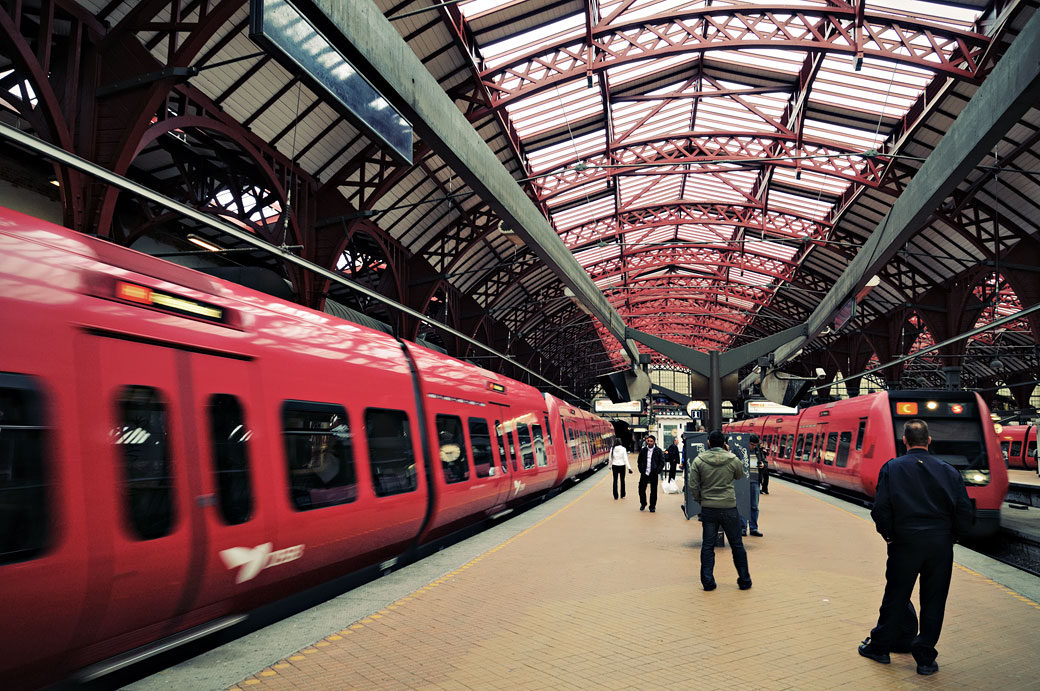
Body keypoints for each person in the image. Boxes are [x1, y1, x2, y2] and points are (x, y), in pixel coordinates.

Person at [858, 418, 973, 676]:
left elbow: (881, 509)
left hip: (904, 542)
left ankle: (880, 648)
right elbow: (964, 511)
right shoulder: (949, 470)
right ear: (929, 441)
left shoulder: (892, 468)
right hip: (940, 545)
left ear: (905, 441)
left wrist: (889, 535)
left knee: (896, 595)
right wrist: (952, 536)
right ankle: (924, 658)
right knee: (934, 599)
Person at [689, 430, 752, 591]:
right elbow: (739, 475)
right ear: (724, 443)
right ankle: (744, 580)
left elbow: (693, 485)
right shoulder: (733, 459)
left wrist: (700, 500)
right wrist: (729, 453)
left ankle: (708, 582)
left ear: (708, 443)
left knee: (708, 546)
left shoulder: (699, 460)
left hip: (709, 508)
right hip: (729, 507)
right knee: (737, 544)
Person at [740, 435, 764, 537]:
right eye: (752, 445)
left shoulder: (758, 451)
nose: (753, 447)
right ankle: (743, 528)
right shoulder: (741, 451)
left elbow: (765, 462)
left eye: (755, 445)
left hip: (755, 481)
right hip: (743, 481)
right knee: (743, 505)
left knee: (754, 506)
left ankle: (754, 528)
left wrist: (763, 465)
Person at [636, 435, 665, 512]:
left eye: (651, 441)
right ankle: (643, 503)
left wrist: (657, 471)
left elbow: (662, 462)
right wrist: (641, 469)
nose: (649, 442)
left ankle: (652, 506)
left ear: (654, 442)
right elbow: (639, 461)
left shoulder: (658, 451)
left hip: (653, 473)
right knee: (641, 489)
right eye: (648, 441)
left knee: (653, 491)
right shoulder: (643, 450)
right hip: (644, 473)